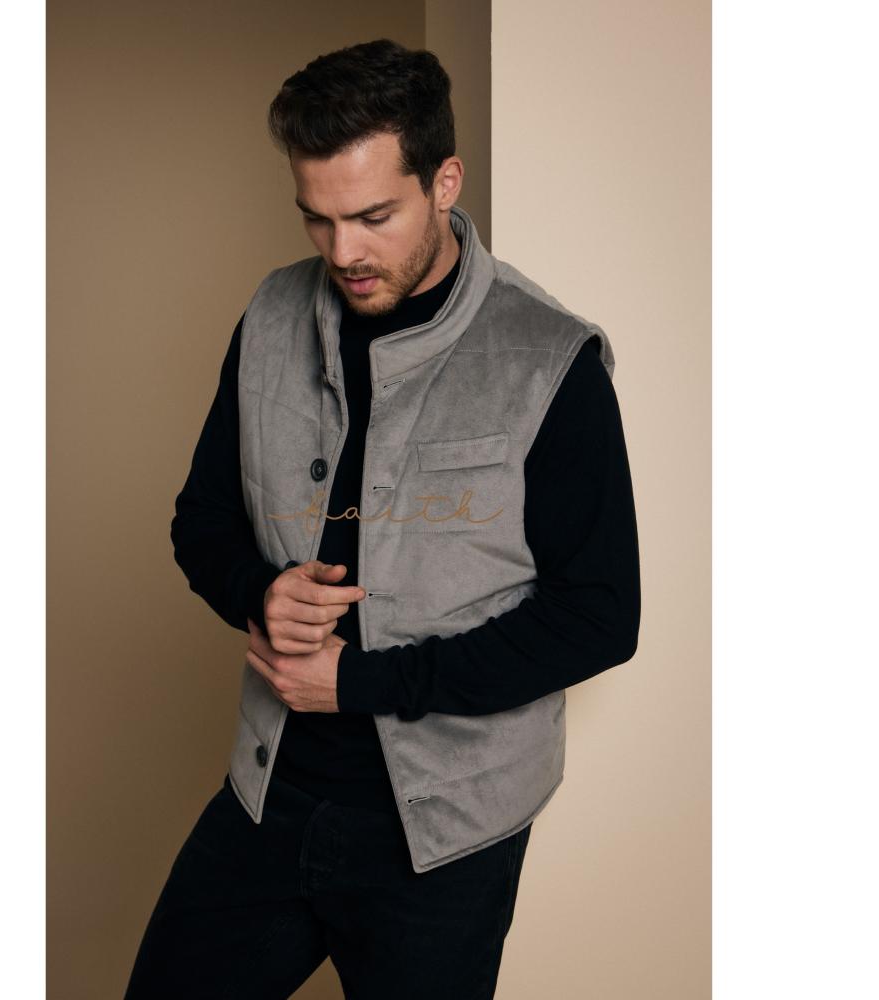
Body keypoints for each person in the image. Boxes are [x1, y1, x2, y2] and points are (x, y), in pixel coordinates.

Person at [124, 37, 640, 1000]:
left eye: (372, 217)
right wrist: (257, 592)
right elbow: (202, 518)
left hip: (446, 838)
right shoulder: (271, 314)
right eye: (317, 219)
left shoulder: (550, 359)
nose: (343, 253)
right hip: (269, 788)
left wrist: (363, 681)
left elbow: (601, 616)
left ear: (444, 182)